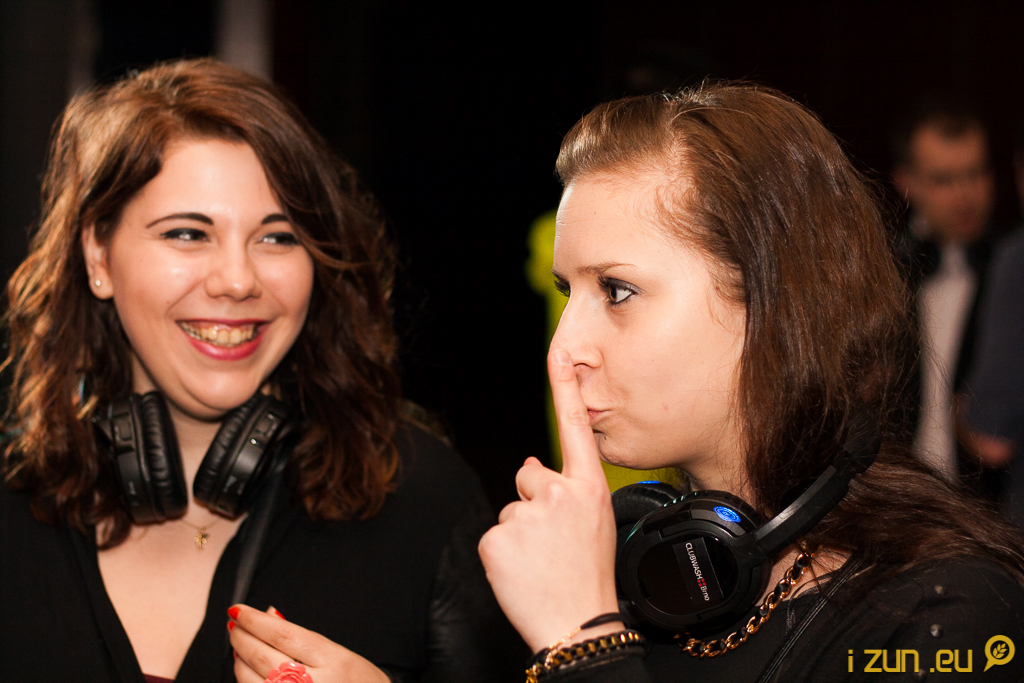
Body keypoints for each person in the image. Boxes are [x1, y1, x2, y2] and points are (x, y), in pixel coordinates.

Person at [478, 84, 1024, 682]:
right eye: (568, 292)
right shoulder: (616, 580)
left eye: (617, 290)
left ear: (773, 301)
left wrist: (586, 646)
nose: (563, 349)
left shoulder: (949, 610)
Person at [0, 58, 519, 683]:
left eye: (278, 237)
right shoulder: (12, 505)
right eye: (187, 234)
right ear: (98, 256)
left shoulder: (424, 501)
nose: (238, 280)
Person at [891, 102, 998, 488]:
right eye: (943, 180)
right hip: (903, 497)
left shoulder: (1009, 269)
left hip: (989, 500)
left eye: (975, 174)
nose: (964, 195)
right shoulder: (886, 271)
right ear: (906, 182)